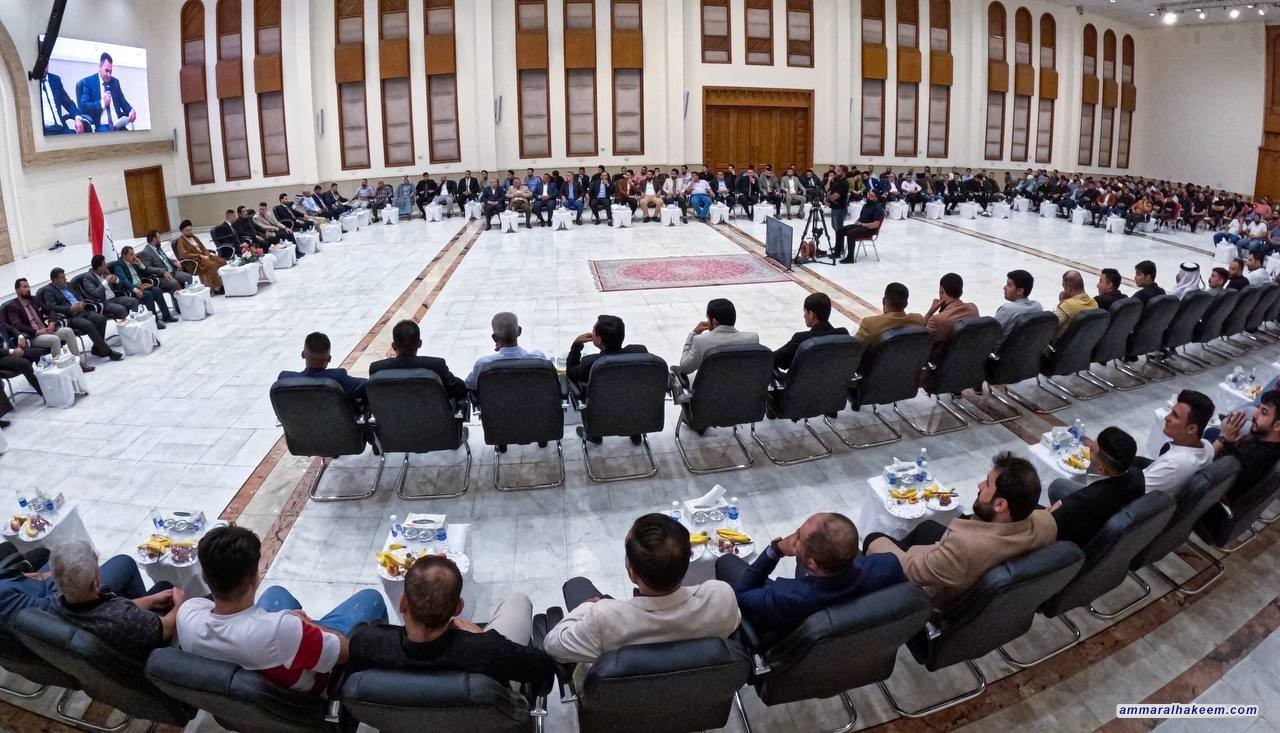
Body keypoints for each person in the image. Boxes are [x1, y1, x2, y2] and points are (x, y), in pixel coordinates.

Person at [177, 526, 387, 695]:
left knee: (275, 593)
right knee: (371, 599)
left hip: (254, 681)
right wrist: (308, 626)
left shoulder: (187, 615)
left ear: (204, 576)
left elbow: (215, 616)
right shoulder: (282, 631)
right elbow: (345, 651)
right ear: (254, 579)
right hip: (306, 693)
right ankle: (378, 681)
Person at [864, 453, 1056, 607]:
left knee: (875, 539)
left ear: (1000, 505)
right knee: (926, 527)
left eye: (987, 483)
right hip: (971, 569)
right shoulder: (1046, 522)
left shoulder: (963, 547)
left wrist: (877, 543)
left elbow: (912, 570)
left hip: (935, 596)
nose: (979, 485)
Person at [543, 514, 740, 664]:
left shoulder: (603, 618)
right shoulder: (720, 597)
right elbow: (733, 622)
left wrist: (588, 607)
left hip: (626, 701)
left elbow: (553, 645)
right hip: (698, 695)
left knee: (577, 584)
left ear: (632, 572)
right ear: (687, 564)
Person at [346, 555, 554, 687]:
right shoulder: (489, 651)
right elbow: (543, 668)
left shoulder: (368, 643)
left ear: (402, 603)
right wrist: (484, 637)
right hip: (479, 720)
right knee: (518, 600)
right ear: (458, 608)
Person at [715, 513, 905, 649]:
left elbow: (742, 593)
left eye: (798, 537)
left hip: (789, 638)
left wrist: (776, 549)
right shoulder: (888, 565)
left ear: (813, 564)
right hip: (853, 641)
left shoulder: (785, 597)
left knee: (727, 562)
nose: (793, 537)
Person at [50, 540, 183, 660]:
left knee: (162, 586)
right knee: (171, 593)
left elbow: (116, 609)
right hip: (147, 657)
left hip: (116, 642)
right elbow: (167, 628)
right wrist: (181, 604)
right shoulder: (123, 619)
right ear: (95, 583)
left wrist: (151, 600)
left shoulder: (57, 605)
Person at [0, 540, 154, 625]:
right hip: (64, 598)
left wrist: (27, 575)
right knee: (124, 562)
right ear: (95, 583)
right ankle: (144, 613)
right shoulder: (5, 598)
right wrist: (56, 577)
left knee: (47, 554)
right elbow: (49, 611)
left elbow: (11, 576)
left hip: (37, 589)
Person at [1047, 428, 1145, 545]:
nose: (1087, 448)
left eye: (1091, 449)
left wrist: (1050, 514)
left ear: (1101, 470)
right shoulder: (1138, 475)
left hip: (1078, 537)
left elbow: (1051, 525)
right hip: (1107, 512)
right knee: (1058, 485)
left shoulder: (1085, 499)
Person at [2, 278, 95, 371]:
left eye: (28, 286)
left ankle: (78, 364)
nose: (28, 289)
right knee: (54, 339)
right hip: (33, 336)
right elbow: (17, 325)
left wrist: (52, 322)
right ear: (17, 290)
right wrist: (38, 332)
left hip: (46, 330)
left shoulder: (34, 299)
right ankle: (59, 370)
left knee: (68, 331)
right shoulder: (12, 307)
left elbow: (50, 311)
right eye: (25, 287)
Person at [1141, 390, 1216, 497]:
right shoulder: (1206, 446)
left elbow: (1133, 491)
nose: (1166, 418)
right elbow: (1214, 448)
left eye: (1175, 416)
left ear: (1191, 429)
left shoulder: (1172, 464)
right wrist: (1223, 438)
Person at [1210, 390, 1280, 503]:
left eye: (1264, 412)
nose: (1254, 415)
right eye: (1258, 407)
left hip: (1216, 497)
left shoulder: (1253, 457)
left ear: (1278, 425)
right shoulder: (1270, 445)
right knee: (1212, 432)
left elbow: (1207, 477)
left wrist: (1223, 438)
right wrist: (1230, 444)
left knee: (1210, 433)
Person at [369, 320, 467, 399]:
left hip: (391, 417)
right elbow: (459, 389)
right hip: (432, 416)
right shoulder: (436, 366)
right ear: (420, 343)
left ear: (393, 346)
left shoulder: (377, 368)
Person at [38, 269, 122, 359]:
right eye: (62, 278)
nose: (65, 279)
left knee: (101, 319)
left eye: (64, 276)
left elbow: (79, 296)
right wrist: (70, 308)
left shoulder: (68, 285)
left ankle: (97, 348)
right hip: (70, 316)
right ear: (55, 280)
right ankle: (108, 352)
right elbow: (51, 307)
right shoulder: (48, 290)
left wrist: (82, 302)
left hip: (82, 311)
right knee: (88, 324)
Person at [278, 331, 367, 408]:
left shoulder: (285, 380)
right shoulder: (338, 378)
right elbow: (370, 385)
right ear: (329, 359)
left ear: (303, 355)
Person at [464, 312, 550, 390]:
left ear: (494, 338)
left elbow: (470, 385)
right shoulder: (539, 359)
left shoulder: (483, 365)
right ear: (519, 331)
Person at [675, 298, 760, 375]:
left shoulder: (700, 341)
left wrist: (693, 334)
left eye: (708, 319)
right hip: (743, 386)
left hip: (711, 387)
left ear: (714, 321)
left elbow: (685, 368)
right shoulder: (752, 339)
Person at [566, 314, 647, 390]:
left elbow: (570, 372)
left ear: (599, 340)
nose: (592, 331)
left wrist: (576, 345)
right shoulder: (640, 353)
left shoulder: (591, 363)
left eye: (593, 330)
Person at [773, 293, 849, 370]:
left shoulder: (801, 339)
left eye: (805, 312)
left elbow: (774, 359)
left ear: (811, 314)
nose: (804, 316)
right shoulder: (843, 334)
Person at [112, 246, 177, 325]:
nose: (134, 256)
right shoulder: (119, 265)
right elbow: (124, 281)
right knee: (148, 295)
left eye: (134, 254)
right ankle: (154, 321)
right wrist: (135, 289)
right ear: (124, 256)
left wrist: (139, 264)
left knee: (157, 290)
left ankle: (167, 316)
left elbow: (145, 271)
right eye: (131, 255)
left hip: (142, 285)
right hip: (132, 290)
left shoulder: (133, 261)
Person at [75, 52, 135, 132]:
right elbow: (84, 107)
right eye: (106, 71)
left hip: (118, 124)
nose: (109, 74)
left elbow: (123, 102)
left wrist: (131, 111)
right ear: (100, 66)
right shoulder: (89, 82)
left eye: (110, 71)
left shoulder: (115, 82)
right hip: (101, 125)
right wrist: (102, 103)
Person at [853, 282, 926, 344]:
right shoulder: (918, 320)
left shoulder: (870, 324)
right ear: (906, 304)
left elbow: (854, 348)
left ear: (884, 301)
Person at [924, 273, 980, 345]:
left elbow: (919, 341)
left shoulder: (936, 320)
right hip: (970, 351)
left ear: (941, 292)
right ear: (961, 293)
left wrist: (929, 313)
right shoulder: (973, 308)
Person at [173, 219, 227, 293]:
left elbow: (203, 248)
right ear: (182, 231)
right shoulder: (181, 242)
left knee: (222, 261)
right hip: (194, 261)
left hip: (204, 257)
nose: (190, 232)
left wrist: (207, 255)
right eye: (187, 230)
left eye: (190, 229)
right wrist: (200, 256)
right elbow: (184, 254)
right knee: (212, 265)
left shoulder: (194, 237)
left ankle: (224, 283)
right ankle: (216, 288)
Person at [834, 189, 885, 264]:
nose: (868, 196)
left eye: (871, 196)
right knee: (840, 230)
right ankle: (837, 253)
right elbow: (862, 216)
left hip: (869, 229)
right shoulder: (866, 205)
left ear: (876, 198)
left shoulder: (877, 208)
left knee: (851, 233)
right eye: (869, 194)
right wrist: (857, 221)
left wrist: (861, 224)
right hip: (861, 225)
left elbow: (875, 225)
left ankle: (850, 258)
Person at [80, 254, 140, 318]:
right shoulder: (88, 278)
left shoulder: (105, 272)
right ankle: (129, 323)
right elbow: (96, 293)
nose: (106, 266)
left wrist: (116, 280)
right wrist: (106, 281)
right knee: (121, 309)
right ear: (98, 267)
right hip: (103, 302)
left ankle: (135, 320)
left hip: (114, 298)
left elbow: (119, 287)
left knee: (133, 301)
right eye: (104, 265)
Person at [993, 269, 1044, 343]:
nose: (1004, 288)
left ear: (1020, 291)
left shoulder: (1007, 309)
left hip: (1000, 349)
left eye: (1009, 285)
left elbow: (990, 333)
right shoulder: (1037, 306)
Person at [1054, 270, 1098, 337]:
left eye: (1064, 287)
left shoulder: (1067, 305)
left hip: (1060, 342)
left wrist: (1062, 304)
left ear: (1069, 288)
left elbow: (1050, 326)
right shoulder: (1094, 303)